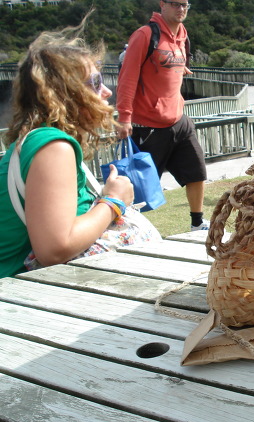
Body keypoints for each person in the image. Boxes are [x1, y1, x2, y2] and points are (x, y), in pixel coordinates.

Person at [0, 14, 135, 279]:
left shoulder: (39, 141)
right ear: (66, 93)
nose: (107, 91)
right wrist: (114, 201)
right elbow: (54, 249)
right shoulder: (54, 147)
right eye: (95, 83)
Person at [116, 0, 209, 231]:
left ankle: (197, 223)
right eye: (175, 4)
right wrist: (125, 117)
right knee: (139, 186)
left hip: (178, 120)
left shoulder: (182, 35)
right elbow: (127, 78)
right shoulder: (145, 35)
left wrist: (179, 68)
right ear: (162, 4)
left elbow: (170, 63)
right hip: (149, 125)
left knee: (196, 172)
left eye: (185, 4)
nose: (181, 9)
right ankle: (126, 230)